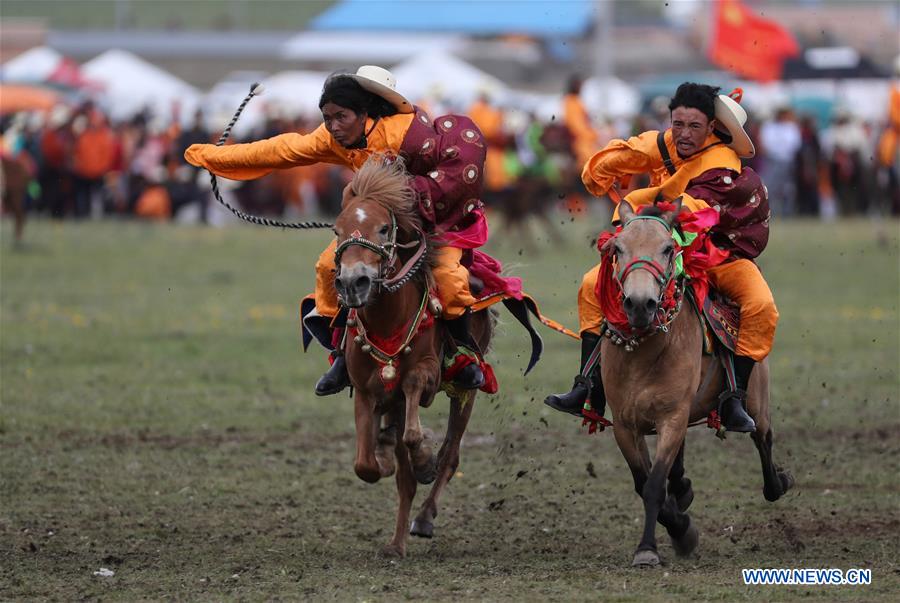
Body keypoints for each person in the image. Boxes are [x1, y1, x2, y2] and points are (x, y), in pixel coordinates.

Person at [185, 66, 508, 395]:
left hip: (436, 221)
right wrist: (214, 157)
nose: (333, 127)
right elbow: (281, 150)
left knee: (450, 278)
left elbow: (451, 176)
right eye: (327, 118)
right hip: (375, 227)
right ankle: (341, 355)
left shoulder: (406, 134)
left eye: (341, 117)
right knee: (329, 266)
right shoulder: (332, 138)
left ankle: (462, 356)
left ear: (365, 113)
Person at [545, 83, 776, 433]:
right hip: (659, 246)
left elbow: (693, 213)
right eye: (677, 123)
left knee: (761, 304)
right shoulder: (669, 141)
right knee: (592, 283)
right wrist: (599, 169)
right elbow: (629, 153)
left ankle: (735, 398)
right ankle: (587, 385)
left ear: (712, 128)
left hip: (716, 255)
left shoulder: (722, 164)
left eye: (694, 126)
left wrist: (640, 214)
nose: (683, 133)